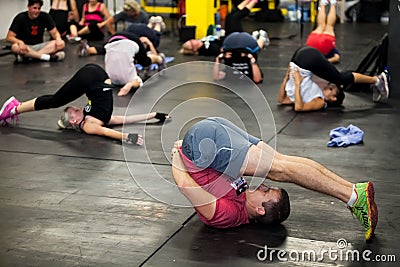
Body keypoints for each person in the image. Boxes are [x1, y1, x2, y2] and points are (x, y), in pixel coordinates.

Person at [171, 117, 378, 241]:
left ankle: (352, 193)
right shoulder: (244, 201)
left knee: (280, 167)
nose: (262, 186)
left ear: (260, 210)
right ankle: (352, 192)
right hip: (209, 140)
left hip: (202, 144)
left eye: (266, 191)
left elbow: (184, 184)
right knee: (281, 163)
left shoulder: (230, 214)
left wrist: (177, 155)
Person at [0, 64, 169, 145]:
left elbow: (108, 129)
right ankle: (14, 107)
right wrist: (153, 115)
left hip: (92, 78)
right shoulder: (90, 124)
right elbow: (119, 123)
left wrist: (127, 137)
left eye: (74, 108)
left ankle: (16, 107)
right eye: (73, 111)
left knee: (56, 100)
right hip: (96, 76)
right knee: (55, 100)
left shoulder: (89, 121)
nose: (77, 108)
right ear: (73, 120)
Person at [278, 46, 390, 112]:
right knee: (340, 78)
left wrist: (286, 78)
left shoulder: (315, 100)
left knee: (340, 78)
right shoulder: (319, 101)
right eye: (331, 87)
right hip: (306, 60)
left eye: (330, 88)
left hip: (299, 60)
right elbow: (299, 107)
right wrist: (295, 82)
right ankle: (377, 80)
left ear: (333, 98)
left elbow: (284, 101)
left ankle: (377, 80)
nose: (327, 86)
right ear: (333, 98)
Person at [77, 31, 166, 96]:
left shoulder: (116, 78)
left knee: (104, 49)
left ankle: (88, 49)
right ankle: (159, 58)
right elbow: (142, 66)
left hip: (114, 38)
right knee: (145, 62)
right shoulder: (125, 78)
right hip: (124, 40)